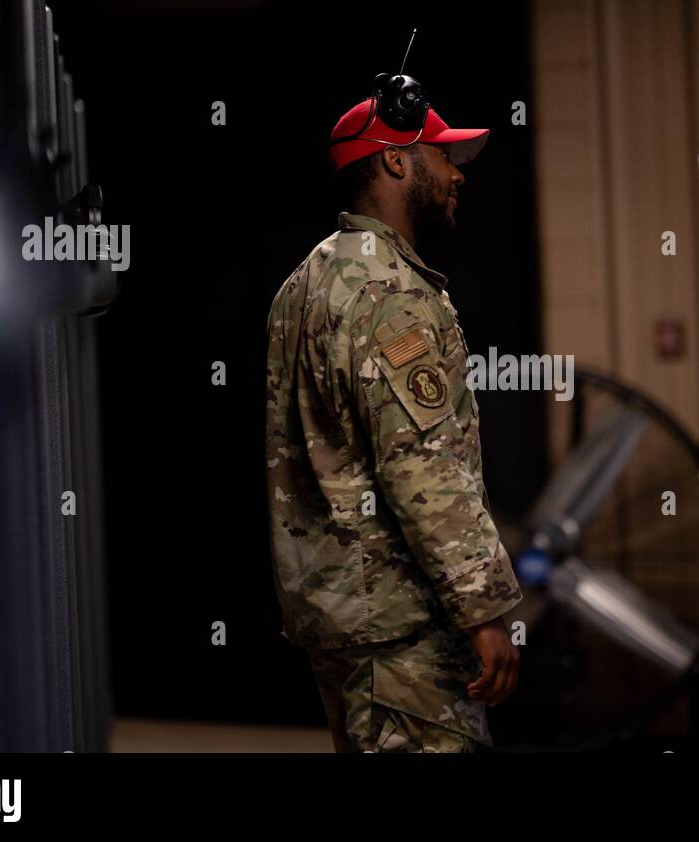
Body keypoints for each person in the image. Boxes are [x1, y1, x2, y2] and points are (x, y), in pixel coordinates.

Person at [265, 86, 521, 753]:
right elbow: (422, 470)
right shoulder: (389, 293)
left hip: (340, 620)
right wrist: (484, 608)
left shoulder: (305, 282)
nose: (457, 172)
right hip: (402, 633)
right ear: (395, 164)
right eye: (442, 156)